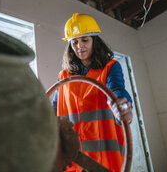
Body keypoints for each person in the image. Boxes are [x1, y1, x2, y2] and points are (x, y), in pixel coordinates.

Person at [52, 13, 133, 172]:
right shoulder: (64, 76)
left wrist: (122, 106)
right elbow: (55, 108)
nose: (79, 46)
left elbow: (117, 89)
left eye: (84, 40)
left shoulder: (110, 67)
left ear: (94, 40)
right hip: (73, 158)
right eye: (74, 42)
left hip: (103, 157)